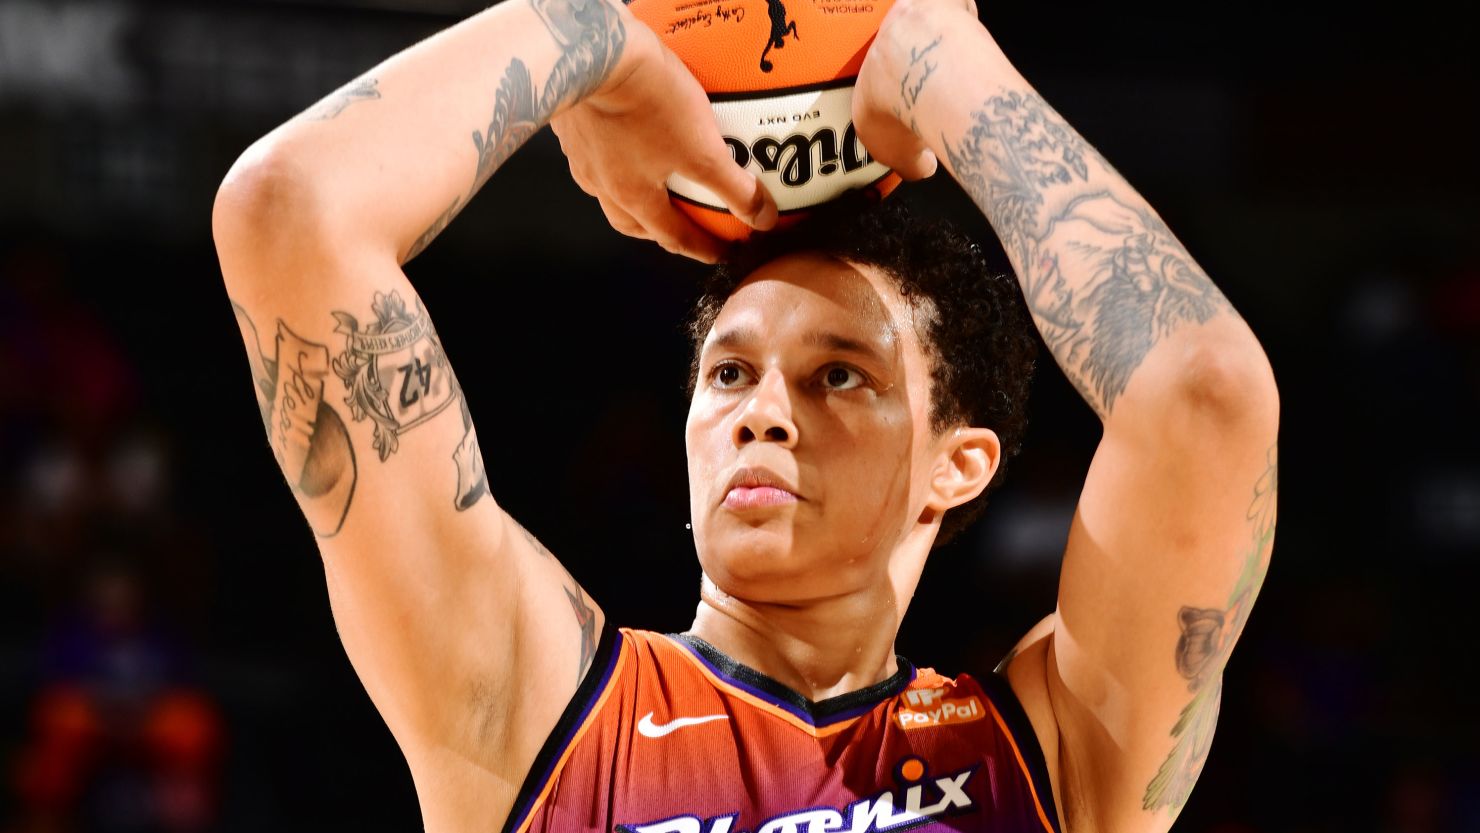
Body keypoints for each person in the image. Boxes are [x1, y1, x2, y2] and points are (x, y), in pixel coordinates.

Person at [210, 0, 1280, 829]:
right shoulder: (531, 701)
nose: (762, 413)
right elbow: (288, 211)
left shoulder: (1050, 756)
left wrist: (943, 67)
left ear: (958, 463)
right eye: (728, 374)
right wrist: (602, 40)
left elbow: (1206, 395)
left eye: (840, 375)